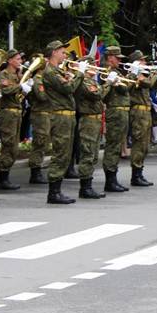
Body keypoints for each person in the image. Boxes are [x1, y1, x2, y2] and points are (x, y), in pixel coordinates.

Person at [42, 40, 83, 204]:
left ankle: (57, 190)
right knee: (60, 152)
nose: (64, 55)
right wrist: (79, 75)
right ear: (53, 53)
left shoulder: (58, 71)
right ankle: (53, 192)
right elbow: (68, 89)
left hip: (67, 116)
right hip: (60, 117)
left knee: (65, 152)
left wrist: (72, 77)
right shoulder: (50, 72)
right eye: (62, 52)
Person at [74, 54, 109, 199]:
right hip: (87, 120)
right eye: (92, 64)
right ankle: (85, 188)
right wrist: (108, 84)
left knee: (93, 154)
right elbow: (96, 95)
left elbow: (99, 94)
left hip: (94, 120)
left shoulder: (90, 80)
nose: (95, 67)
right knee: (87, 154)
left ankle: (88, 185)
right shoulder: (83, 81)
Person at [0, 49, 29, 190]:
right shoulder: (4, 74)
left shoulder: (17, 75)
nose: (20, 61)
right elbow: (5, 91)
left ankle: (6, 177)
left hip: (17, 113)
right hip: (7, 113)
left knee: (14, 147)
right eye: (17, 59)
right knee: (8, 144)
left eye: (20, 59)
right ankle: (2, 179)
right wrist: (20, 86)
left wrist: (25, 84)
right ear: (9, 60)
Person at [127, 50, 157, 186]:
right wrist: (156, 73)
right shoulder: (134, 75)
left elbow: (155, 86)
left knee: (145, 144)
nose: (145, 63)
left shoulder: (142, 74)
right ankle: (135, 175)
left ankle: (139, 172)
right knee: (139, 143)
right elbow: (149, 84)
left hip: (146, 112)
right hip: (138, 113)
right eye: (142, 60)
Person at [101, 46, 131, 192]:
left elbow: (127, 88)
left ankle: (113, 178)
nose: (119, 61)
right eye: (117, 58)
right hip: (115, 112)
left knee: (117, 146)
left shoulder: (117, 72)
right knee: (112, 146)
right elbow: (121, 90)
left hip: (122, 113)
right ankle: (110, 180)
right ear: (110, 58)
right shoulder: (108, 73)